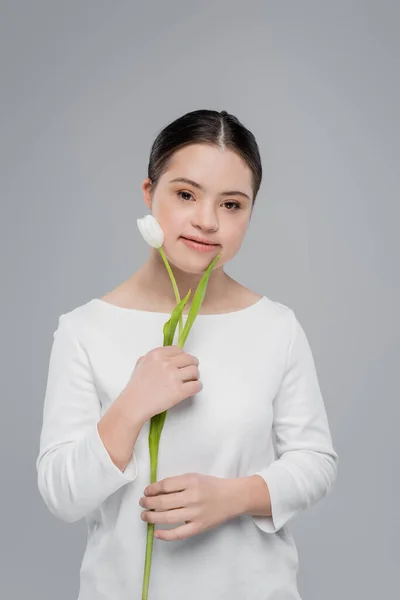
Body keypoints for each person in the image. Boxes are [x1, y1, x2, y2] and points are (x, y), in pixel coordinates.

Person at [36, 109, 339, 599]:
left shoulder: (276, 327)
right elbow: (61, 494)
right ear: (148, 194)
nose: (206, 220)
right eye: (185, 194)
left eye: (232, 204)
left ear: (250, 214)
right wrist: (132, 404)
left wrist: (233, 497)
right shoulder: (83, 330)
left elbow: (315, 461)